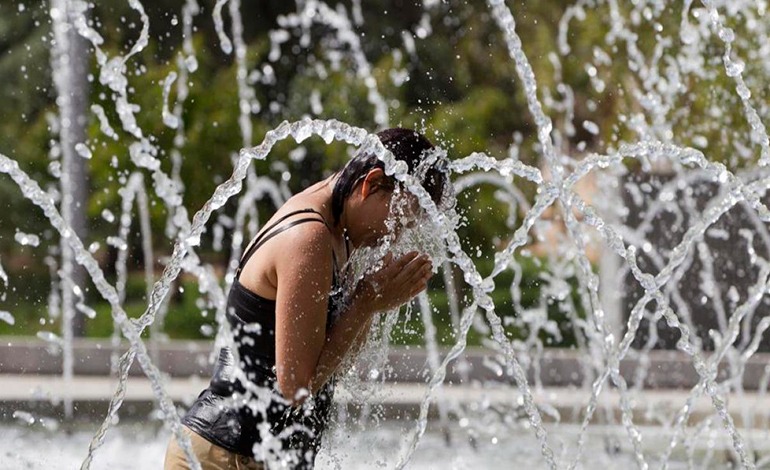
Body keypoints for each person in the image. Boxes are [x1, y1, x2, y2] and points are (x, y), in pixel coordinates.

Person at [164, 128, 450, 469]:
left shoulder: (340, 230)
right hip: (225, 457)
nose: (396, 233)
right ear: (371, 183)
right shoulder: (309, 237)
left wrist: (371, 301)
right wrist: (365, 302)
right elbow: (295, 388)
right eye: (399, 219)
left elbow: (330, 363)